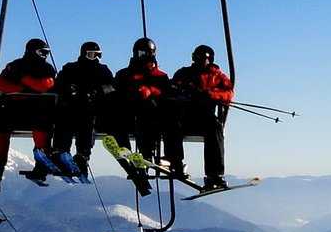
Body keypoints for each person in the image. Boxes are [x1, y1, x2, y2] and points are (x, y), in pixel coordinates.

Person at [0, 38, 70, 191]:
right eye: (42, 52)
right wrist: (28, 87)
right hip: (13, 110)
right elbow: (3, 84)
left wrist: (21, 82)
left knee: (42, 125)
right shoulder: (15, 65)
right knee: (0, 126)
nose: (45, 56)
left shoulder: (45, 68)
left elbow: (45, 85)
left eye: (47, 53)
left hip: (37, 110)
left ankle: (41, 165)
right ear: (32, 51)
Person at [167, 44, 234, 190]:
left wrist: (210, 94)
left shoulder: (217, 76)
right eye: (197, 58)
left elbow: (228, 94)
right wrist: (183, 92)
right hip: (185, 115)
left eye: (203, 58)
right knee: (172, 123)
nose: (200, 61)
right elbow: (172, 88)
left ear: (210, 60)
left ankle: (214, 174)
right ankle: (175, 162)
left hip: (205, 117)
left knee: (215, 128)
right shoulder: (184, 73)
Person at [111, 38, 171, 196]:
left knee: (145, 122)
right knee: (118, 124)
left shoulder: (160, 77)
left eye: (144, 52)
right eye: (139, 52)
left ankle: (145, 157)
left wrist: (150, 92)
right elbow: (115, 92)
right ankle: (129, 156)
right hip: (127, 115)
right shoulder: (124, 74)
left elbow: (167, 96)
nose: (141, 56)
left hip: (150, 117)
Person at [56, 41, 114, 174]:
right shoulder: (70, 68)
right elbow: (58, 84)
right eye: (92, 54)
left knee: (87, 124)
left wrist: (97, 91)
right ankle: (62, 152)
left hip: (93, 109)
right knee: (65, 122)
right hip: (71, 107)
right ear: (84, 54)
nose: (95, 58)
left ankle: (82, 156)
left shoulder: (103, 70)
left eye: (98, 55)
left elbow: (111, 87)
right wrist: (69, 90)